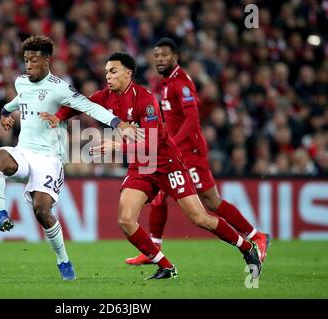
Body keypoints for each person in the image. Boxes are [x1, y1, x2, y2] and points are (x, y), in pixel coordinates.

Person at [41, 52, 262, 280]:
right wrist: (58, 117)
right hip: (141, 166)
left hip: (166, 163)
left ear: (128, 74)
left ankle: (247, 247)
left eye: (113, 71)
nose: (108, 76)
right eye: (106, 71)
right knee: (125, 220)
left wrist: (117, 146)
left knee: (199, 218)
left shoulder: (145, 99)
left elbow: (153, 142)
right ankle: (166, 266)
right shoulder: (105, 96)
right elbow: (79, 104)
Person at [0, 36, 136, 281]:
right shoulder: (20, 82)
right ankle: (1, 214)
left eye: (34, 60)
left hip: (49, 159)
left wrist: (117, 122)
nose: (28, 65)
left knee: (41, 210)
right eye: (25, 60)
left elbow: (89, 106)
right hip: (24, 152)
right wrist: (5, 112)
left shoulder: (60, 87)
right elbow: (18, 100)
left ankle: (63, 260)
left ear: (47, 61)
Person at [125, 38, 270, 266]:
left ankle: (256, 237)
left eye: (165, 55)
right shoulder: (166, 83)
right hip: (176, 151)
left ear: (176, 57)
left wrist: (172, 143)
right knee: (161, 199)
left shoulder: (181, 84)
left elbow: (192, 121)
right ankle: (153, 250)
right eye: (157, 56)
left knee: (210, 202)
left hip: (189, 152)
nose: (160, 59)